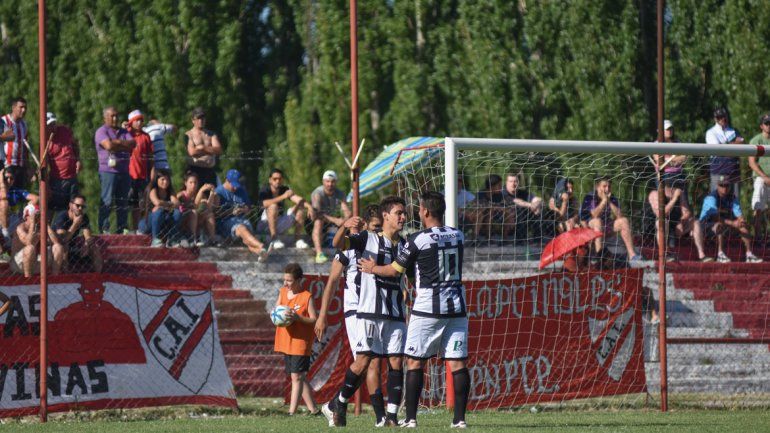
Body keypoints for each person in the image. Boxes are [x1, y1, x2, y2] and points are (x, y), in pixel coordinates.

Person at [358, 191, 470, 428]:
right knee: (458, 363)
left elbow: (394, 271)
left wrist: (372, 268)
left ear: (426, 212)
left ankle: (410, 419)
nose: (416, 213)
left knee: (414, 362)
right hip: (457, 307)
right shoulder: (458, 235)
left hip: (428, 308)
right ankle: (459, 420)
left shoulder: (418, 239)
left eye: (419, 209)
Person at [322, 197, 407, 428]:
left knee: (397, 360)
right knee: (364, 361)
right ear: (386, 215)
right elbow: (339, 244)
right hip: (369, 310)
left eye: (404, 213)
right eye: (398, 213)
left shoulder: (405, 244)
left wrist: (411, 288)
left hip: (395, 310)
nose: (403, 217)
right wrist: (344, 225)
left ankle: (390, 417)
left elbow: (403, 272)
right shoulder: (366, 238)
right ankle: (339, 401)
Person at [315, 205, 384, 425]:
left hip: (375, 309)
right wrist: (322, 315)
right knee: (367, 362)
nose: (378, 232)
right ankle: (380, 417)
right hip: (356, 310)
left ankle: (336, 404)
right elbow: (332, 279)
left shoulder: (380, 248)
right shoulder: (350, 250)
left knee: (370, 364)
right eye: (375, 227)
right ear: (364, 225)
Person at [274, 263, 320, 416]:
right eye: (284, 280)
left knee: (297, 376)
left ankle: (291, 413)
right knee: (298, 375)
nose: (285, 283)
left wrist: (297, 317)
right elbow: (276, 312)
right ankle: (314, 410)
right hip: (286, 339)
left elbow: (314, 320)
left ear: (300, 280)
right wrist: (276, 316)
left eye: (289, 280)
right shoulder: (282, 292)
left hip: (300, 342)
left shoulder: (307, 297)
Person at [699, 176, 762, 263]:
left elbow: (739, 214)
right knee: (718, 225)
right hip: (705, 225)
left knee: (743, 227)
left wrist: (741, 221)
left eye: (726, 185)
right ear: (717, 186)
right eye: (722, 185)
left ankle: (749, 254)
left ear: (730, 186)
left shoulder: (732, 198)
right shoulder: (711, 197)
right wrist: (733, 223)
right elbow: (715, 217)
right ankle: (720, 254)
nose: (724, 188)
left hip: (724, 224)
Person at [579, 177, 641, 262]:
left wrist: (609, 202)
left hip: (606, 226)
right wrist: (603, 201)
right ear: (598, 187)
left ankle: (632, 255)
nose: (607, 189)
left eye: (609, 186)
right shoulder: (589, 197)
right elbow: (593, 215)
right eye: (604, 186)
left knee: (624, 221)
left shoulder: (612, 197)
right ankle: (599, 256)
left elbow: (619, 215)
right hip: (591, 227)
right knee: (597, 221)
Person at [95, 106, 136, 234]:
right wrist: (122, 144)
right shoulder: (101, 131)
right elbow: (108, 145)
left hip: (124, 171)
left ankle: (122, 228)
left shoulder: (124, 131)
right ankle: (104, 228)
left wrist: (116, 142)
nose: (115, 118)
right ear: (105, 117)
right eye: (112, 116)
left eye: (116, 115)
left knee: (123, 201)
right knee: (107, 200)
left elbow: (133, 144)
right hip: (108, 171)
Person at [648, 182, 711, 262]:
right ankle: (664, 254)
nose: (676, 188)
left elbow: (687, 212)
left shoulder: (679, 193)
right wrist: (674, 199)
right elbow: (661, 214)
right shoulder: (655, 193)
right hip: (655, 230)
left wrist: (681, 221)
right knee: (662, 222)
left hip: (675, 226)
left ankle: (701, 255)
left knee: (695, 222)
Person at [214, 169, 266, 257]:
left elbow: (248, 208)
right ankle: (261, 246)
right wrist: (231, 212)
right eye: (233, 185)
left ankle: (260, 252)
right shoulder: (219, 192)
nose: (235, 188)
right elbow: (215, 214)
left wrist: (243, 210)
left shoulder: (241, 190)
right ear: (227, 180)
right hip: (226, 223)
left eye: (237, 185)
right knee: (242, 229)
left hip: (242, 220)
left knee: (246, 239)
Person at [256, 168, 312, 249]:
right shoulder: (265, 190)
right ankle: (274, 239)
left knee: (300, 207)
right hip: (264, 225)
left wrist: (309, 207)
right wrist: (283, 196)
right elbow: (263, 204)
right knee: (273, 206)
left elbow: (297, 199)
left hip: (279, 222)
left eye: (280, 179)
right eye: (275, 179)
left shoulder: (284, 189)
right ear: (270, 180)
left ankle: (298, 240)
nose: (277, 181)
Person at [52, 194, 103, 273]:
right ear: (70, 205)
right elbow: (62, 239)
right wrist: (75, 224)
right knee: (65, 245)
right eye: (78, 205)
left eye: (83, 207)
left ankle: (99, 276)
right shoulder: (62, 217)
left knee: (94, 247)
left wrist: (86, 244)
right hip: (57, 249)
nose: (80, 208)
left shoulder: (83, 217)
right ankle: (66, 276)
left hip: (73, 248)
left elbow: (88, 236)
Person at [11, 204, 65, 277]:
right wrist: (33, 223)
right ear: (27, 216)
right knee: (30, 248)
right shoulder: (20, 228)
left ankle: (54, 276)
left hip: (36, 262)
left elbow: (55, 242)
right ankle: (28, 279)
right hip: (19, 264)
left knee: (58, 247)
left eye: (39, 216)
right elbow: (28, 242)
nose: (38, 218)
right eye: (36, 216)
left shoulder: (41, 227)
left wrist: (46, 224)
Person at [310, 170, 351, 264]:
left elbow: (346, 211)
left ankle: (349, 251)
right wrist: (336, 220)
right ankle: (319, 253)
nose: (330, 184)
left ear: (335, 182)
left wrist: (345, 219)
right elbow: (317, 213)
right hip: (316, 222)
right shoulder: (317, 193)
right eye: (327, 181)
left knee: (349, 222)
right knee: (318, 222)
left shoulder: (340, 194)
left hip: (332, 221)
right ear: (323, 182)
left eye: (332, 181)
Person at [44, 112, 81, 213]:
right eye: (49, 125)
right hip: (57, 180)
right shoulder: (44, 142)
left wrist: (78, 159)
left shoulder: (65, 130)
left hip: (72, 177)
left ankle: (71, 228)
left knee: (74, 208)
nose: (52, 127)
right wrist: (47, 186)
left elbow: (75, 144)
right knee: (53, 209)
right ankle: (48, 228)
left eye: (53, 123)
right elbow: (43, 167)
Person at [653, 119, 690, 211]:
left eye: (671, 129)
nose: (669, 131)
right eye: (667, 129)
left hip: (679, 176)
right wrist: (675, 160)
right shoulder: (656, 144)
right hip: (664, 176)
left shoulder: (678, 143)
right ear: (661, 131)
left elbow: (684, 158)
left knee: (684, 207)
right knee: (663, 205)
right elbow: (659, 161)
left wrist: (668, 161)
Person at [126, 110, 154, 231]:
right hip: (129, 176)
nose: (139, 122)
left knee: (142, 205)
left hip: (142, 176)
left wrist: (151, 178)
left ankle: (139, 229)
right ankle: (128, 228)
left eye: (141, 120)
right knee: (129, 204)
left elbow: (151, 158)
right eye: (137, 120)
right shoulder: (126, 135)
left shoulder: (145, 136)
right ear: (131, 122)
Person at [706, 107, 744, 196]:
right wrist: (733, 143)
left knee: (735, 201)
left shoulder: (734, 131)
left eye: (724, 116)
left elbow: (742, 144)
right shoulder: (710, 132)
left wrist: (726, 145)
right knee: (716, 200)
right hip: (718, 171)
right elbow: (718, 150)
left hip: (733, 171)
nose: (723, 119)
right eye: (719, 117)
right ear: (715, 119)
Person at [0, 165, 39, 246]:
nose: (9, 180)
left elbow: (36, 198)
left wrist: (27, 209)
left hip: (12, 221)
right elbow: (3, 197)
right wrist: (1, 182)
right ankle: (5, 236)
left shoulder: (15, 190)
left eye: (11, 178)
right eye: (6, 178)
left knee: (32, 209)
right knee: (4, 204)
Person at [177, 171, 217, 246]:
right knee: (194, 213)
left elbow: (209, 207)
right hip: (185, 221)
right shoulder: (181, 194)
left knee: (209, 214)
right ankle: (193, 239)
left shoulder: (199, 194)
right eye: (191, 182)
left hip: (197, 220)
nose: (193, 185)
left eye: (195, 182)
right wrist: (201, 190)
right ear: (185, 183)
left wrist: (211, 194)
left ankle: (212, 239)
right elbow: (195, 205)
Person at [185, 108, 221, 187]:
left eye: (202, 118)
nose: (201, 121)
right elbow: (192, 152)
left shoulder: (211, 134)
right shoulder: (189, 135)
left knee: (212, 195)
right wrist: (210, 150)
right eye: (198, 118)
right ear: (193, 120)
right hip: (195, 171)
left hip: (209, 171)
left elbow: (218, 150)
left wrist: (202, 148)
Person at [146, 169, 182, 248]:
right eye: (162, 179)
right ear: (157, 180)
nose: (165, 182)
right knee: (159, 211)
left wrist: (164, 204)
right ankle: (155, 239)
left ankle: (173, 239)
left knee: (177, 212)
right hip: (150, 221)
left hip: (164, 219)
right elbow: (157, 202)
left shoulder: (170, 191)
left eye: (167, 180)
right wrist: (168, 205)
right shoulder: (153, 190)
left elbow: (177, 203)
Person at [748, 113, 770, 241]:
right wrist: (765, 177)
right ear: (761, 126)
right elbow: (752, 163)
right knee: (758, 208)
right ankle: (757, 238)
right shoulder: (756, 140)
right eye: (767, 123)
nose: (769, 126)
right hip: (761, 179)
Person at [502, 173, 543, 240]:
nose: (513, 184)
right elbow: (516, 201)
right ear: (506, 182)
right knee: (519, 209)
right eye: (511, 181)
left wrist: (536, 205)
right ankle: (520, 240)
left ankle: (537, 240)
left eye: (515, 181)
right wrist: (531, 205)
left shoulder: (522, 192)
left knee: (538, 210)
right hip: (503, 216)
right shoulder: (503, 192)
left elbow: (538, 199)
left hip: (523, 216)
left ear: (518, 183)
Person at [0, 97, 31, 185]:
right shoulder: (4, 121)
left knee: (19, 193)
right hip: (7, 165)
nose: (24, 110)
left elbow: (25, 146)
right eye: (21, 107)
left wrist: (27, 166)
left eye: (25, 108)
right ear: (13, 108)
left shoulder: (23, 124)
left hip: (20, 166)